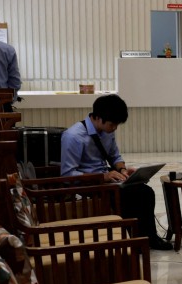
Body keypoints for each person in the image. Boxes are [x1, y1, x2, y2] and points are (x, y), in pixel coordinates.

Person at [60, 94, 173, 250]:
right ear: (98, 118)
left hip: (108, 181)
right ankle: (132, 241)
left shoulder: (107, 131)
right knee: (128, 196)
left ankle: (149, 237)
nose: (114, 128)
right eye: (113, 124)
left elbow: (115, 156)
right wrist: (103, 176)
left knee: (146, 192)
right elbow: (67, 175)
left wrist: (123, 170)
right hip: (88, 186)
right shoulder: (73, 136)